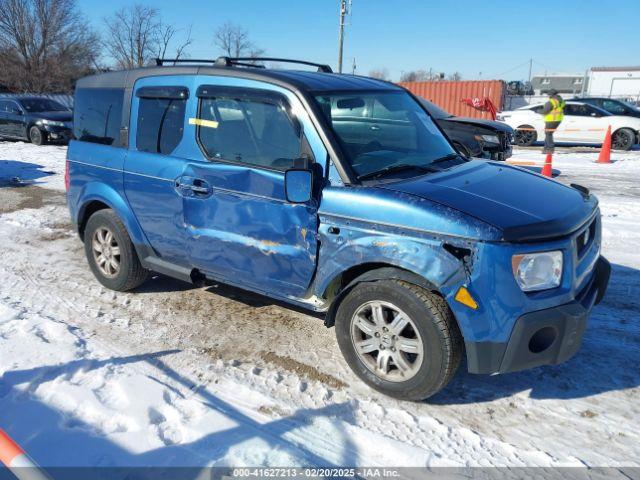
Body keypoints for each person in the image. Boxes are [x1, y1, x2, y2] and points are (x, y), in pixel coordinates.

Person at [540, 89, 565, 154]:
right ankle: (546, 148)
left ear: (551, 95)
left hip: (551, 120)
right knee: (548, 134)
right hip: (558, 119)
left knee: (548, 134)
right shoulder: (561, 101)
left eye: (548, 94)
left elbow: (545, 111)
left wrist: (538, 111)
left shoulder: (552, 102)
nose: (548, 96)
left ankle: (549, 149)